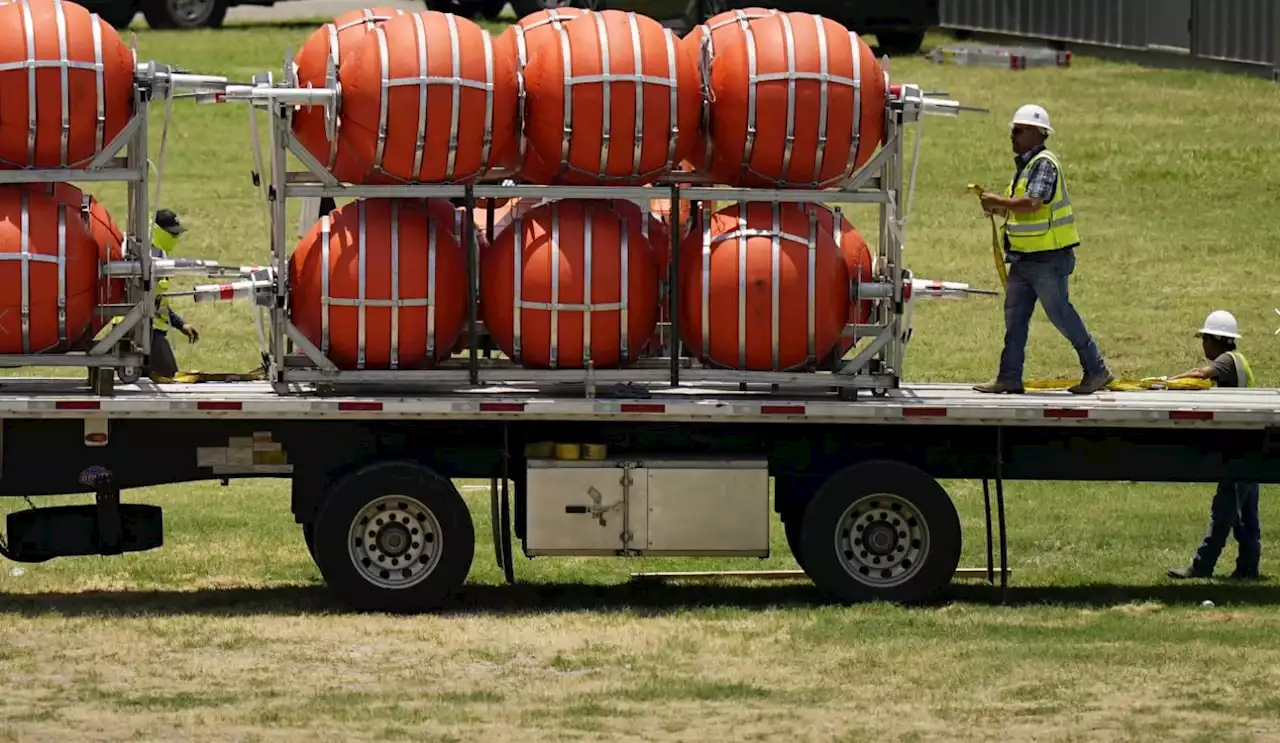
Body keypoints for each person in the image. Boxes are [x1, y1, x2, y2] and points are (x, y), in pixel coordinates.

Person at [973, 104, 1113, 396]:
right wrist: (997, 207)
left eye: (1018, 130)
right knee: (1015, 319)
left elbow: (1033, 203)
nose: (1012, 135)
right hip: (1024, 259)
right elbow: (1022, 212)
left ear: (1037, 133)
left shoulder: (1044, 164)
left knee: (1061, 314)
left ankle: (1096, 369)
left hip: (1048, 259)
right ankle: (1009, 377)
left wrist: (1001, 201)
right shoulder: (1025, 167)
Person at [1166, 310, 1261, 580]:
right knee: (1246, 516)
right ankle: (1248, 568)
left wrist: (1167, 383)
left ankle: (1202, 565)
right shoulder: (1239, 360)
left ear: (1216, 339)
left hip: (1238, 450)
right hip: (1251, 446)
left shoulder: (1225, 361)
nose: (1203, 344)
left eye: (1204, 338)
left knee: (1224, 512)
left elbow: (1200, 374)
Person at [144, 209, 199, 380]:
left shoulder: (157, 253)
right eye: (173, 234)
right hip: (145, 333)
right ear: (160, 232)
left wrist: (180, 324)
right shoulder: (151, 256)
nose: (176, 238)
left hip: (146, 331)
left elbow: (157, 303)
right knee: (170, 380)